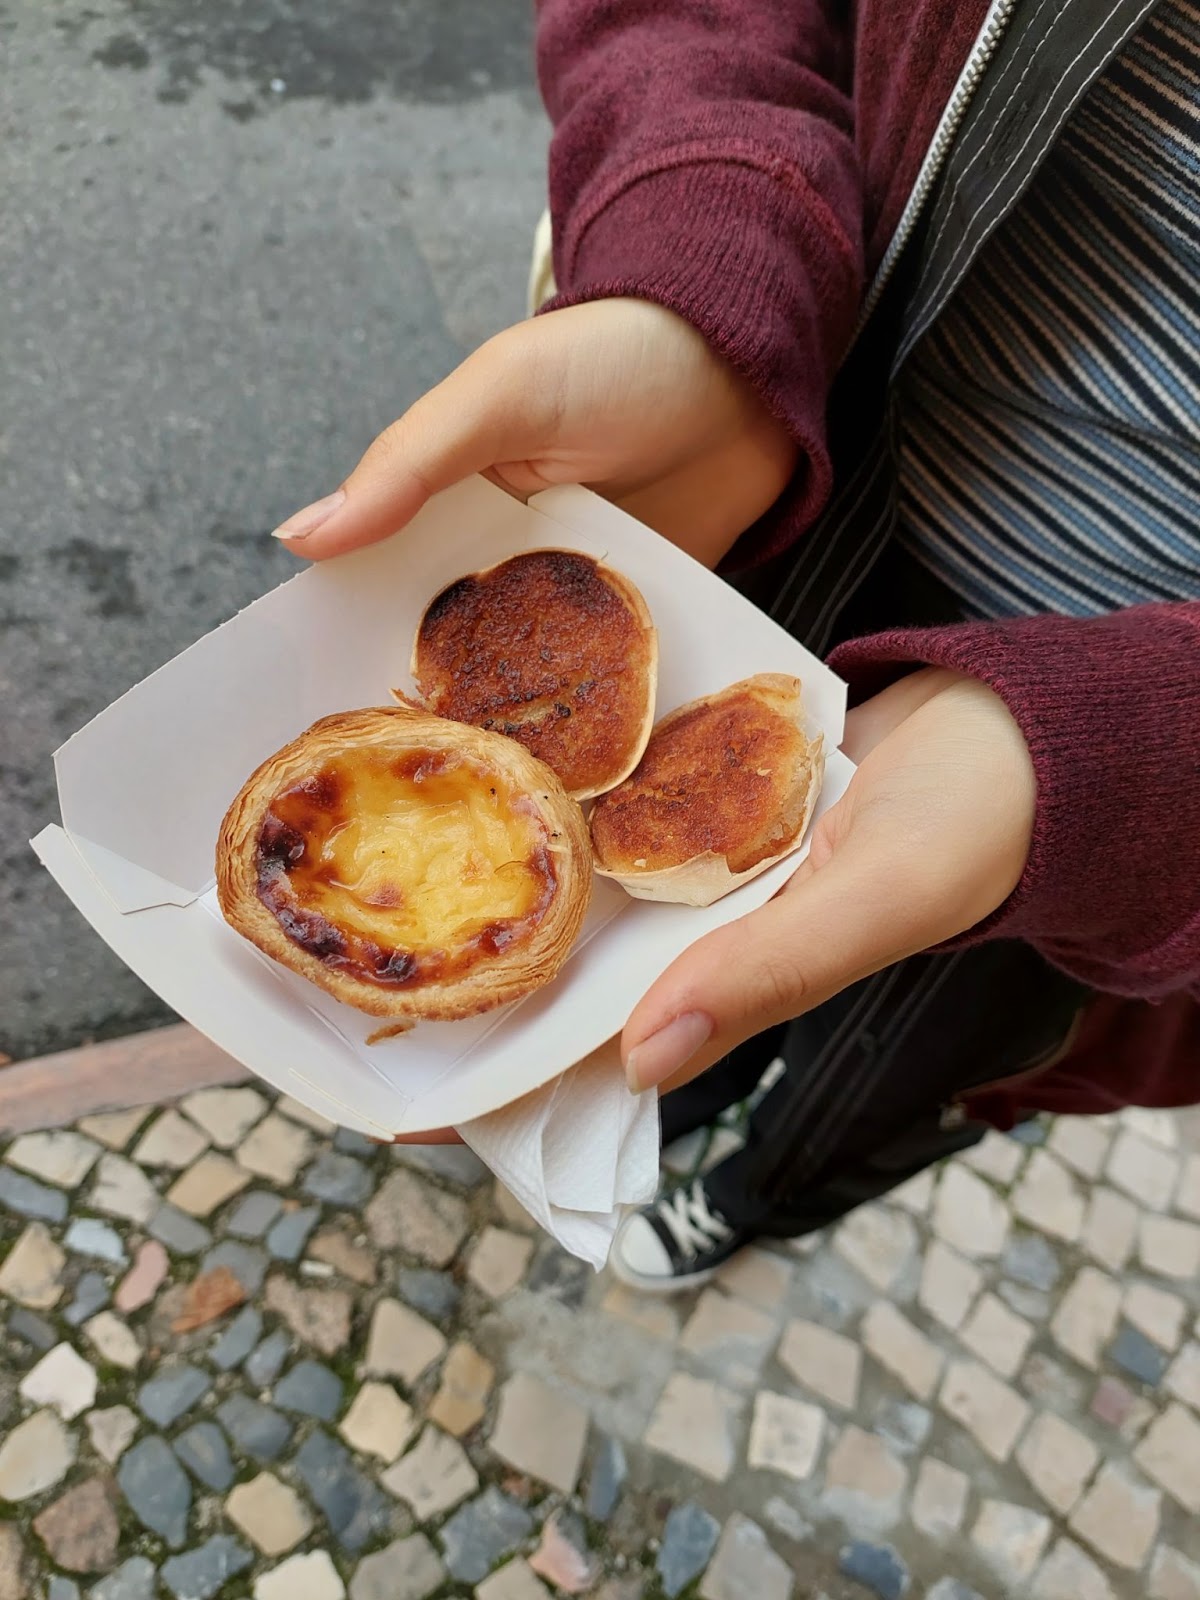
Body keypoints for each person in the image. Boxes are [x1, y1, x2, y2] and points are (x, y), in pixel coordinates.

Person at [272, 0, 1200, 1291]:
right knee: (688, 1012)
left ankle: (757, 1194)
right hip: (776, 513)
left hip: (1112, 821)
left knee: (893, 1067)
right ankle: (674, 1111)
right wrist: (705, 266)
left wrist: (1133, 766)